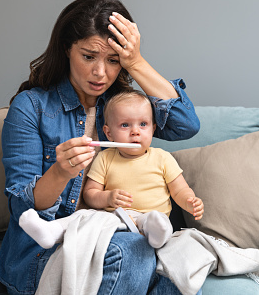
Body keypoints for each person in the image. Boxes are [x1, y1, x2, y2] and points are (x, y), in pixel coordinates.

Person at [0, 0, 200, 295]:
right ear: (67, 49)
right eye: (89, 56)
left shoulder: (122, 109)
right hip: (48, 249)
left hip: (116, 233)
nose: (100, 73)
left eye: (113, 60)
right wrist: (60, 172)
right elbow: (21, 207)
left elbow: (186, 124)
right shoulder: (32, 107)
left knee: (181, 273)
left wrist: (136, 61)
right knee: (136, 250)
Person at [18, 90, 204, 250]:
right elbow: (90, 194)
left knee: (156, 221)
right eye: (125, 125)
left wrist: (189, 201)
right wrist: (107, 198)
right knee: (84, 215)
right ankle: (52, 232)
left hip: (149, 218)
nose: (135, 132)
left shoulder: (162, 157)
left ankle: (157, 237)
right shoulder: (105, 158)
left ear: (153, 129)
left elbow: (179, 189)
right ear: (108, 133)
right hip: (114, 219)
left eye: (143, 124)